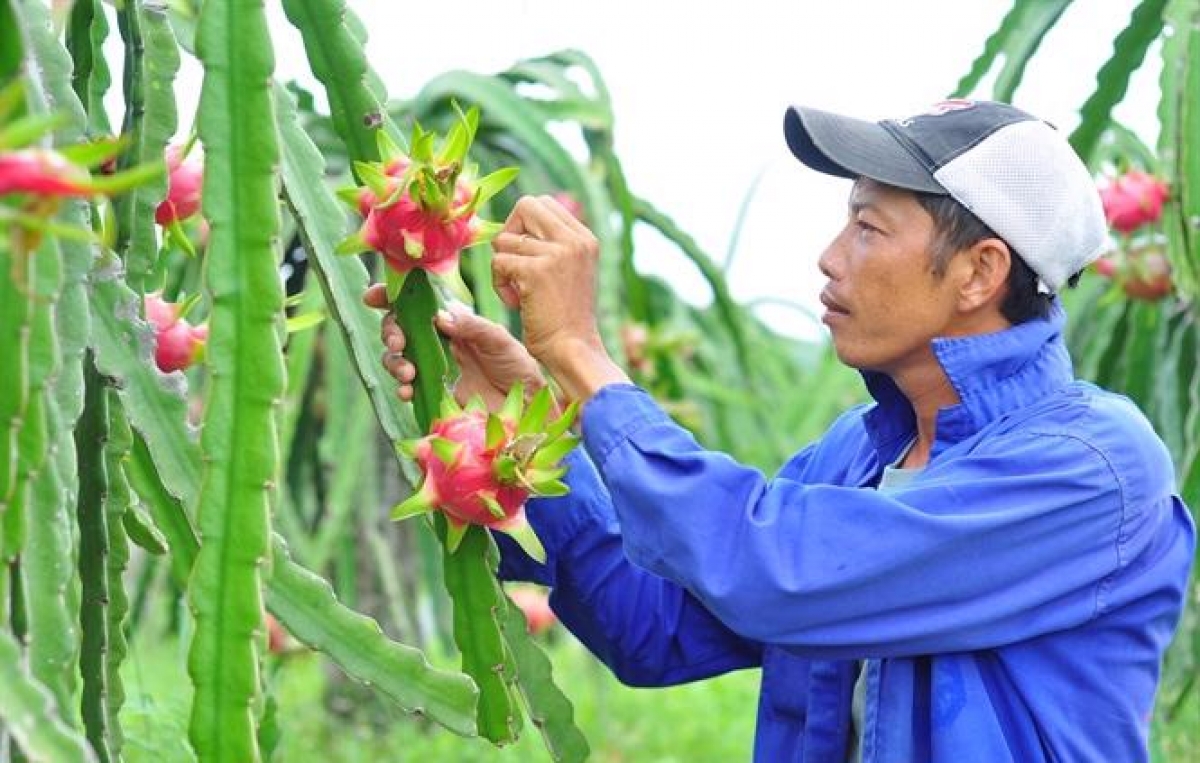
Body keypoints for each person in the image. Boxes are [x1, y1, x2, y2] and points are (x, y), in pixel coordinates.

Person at [365, 99, 1195, 762]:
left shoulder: (1094, 470)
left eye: (869, 228)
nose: (830, 257)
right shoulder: (855, 455)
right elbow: (652, 627)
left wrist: (582, 356)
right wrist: (524, 414)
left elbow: (773, 569)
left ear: (980, 270)